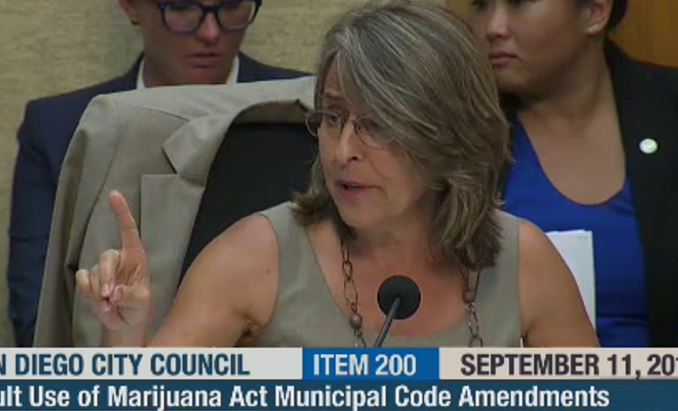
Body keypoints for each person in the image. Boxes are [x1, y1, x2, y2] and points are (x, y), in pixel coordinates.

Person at [76, 1, 597, 347]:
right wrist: (127, 334)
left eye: (377, 126)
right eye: (332, 117)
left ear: (447, 136)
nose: (343, 150)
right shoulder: (252, 258)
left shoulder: (525, 262)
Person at [9, 0, 305, 347]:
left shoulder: (307, 109)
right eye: (181, 8)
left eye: (231, 6)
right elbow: (38, 325)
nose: (210, 32)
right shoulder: (62, 128)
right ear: (131, 6)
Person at [469, 0, 678, 346]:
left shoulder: (668, 109)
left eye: (519, 3)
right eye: (481, 5)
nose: (493, 27)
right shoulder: (459, 132)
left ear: (595, 11)